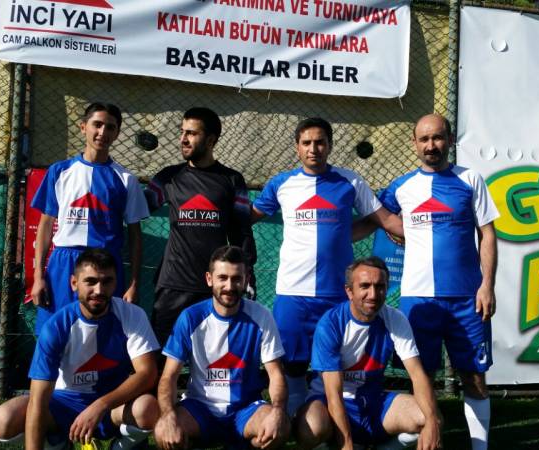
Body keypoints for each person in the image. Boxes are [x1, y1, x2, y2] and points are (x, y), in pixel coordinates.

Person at [251, 117, 403, 416]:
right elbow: (247, 217)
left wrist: (426, 233)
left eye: (320, 142)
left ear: (330, 145)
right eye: (306, 143)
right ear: (297, 147)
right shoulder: (281, 184)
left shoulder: (350, 181)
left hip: (337, 293)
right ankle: (296, 420)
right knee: (292, 364)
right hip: (293, 293)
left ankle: (333, 418)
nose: (313, 149)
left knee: (337, 362)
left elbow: (384, 219)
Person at [371, 113, 499, 450]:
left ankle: (480, 447)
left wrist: (487, 285)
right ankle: (420, 441)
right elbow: (376, 216)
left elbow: (487, 234)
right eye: (424, 139)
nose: (431, 145)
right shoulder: (402, 187)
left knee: (474, 377)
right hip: (418, 300)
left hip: (467, 299)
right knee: (421, 377)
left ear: (450, 140)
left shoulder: (471, 179)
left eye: (438, 137)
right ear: (414, 143)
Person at [0, 249, 160, 450]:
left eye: (107, 281)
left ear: (115, 284)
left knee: (148, 408)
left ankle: (121, 446)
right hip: (65, 403)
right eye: (90, 281)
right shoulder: (56, 327)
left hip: (114, 404)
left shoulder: (132, 315)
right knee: (3, 420)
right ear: (74, 283)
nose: (99, 290)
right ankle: (57, 443)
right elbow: (38, 399)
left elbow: (147, 373)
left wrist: (100, 405)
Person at [297, 257, 441, 450]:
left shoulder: (395, 319)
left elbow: (417, 375)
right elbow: (333, 395)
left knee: (430, 417)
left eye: (380, 286)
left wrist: (431, 421)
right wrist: (346, 444)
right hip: (329, 402)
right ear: (350, 291)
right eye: (365, 286)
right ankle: (338, 444)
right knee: (311, 428)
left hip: (373, 400)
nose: (373, 294)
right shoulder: (331, 324)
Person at [30, 102, 149, 334]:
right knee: (55, 334)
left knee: (102, 336)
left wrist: (134, 283)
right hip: (64, 264)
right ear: (83, 127)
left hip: (106, 267)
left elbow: (135, 236)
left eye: (110, 127)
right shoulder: (59, 171)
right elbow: (45, 225)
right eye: (97, 124)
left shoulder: (126, 179)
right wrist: (38, 276)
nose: (103, 132)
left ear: (117, 133)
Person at [154, 246, 289, 450]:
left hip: (246, 409)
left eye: (236, 279)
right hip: (200, 409)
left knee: (280, 427)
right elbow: (168, 376)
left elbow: (276, 374)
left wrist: (278, 410)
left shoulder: (261, 316)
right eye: (222, 278)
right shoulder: (190, 317)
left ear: (246, 279)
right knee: (163, 431)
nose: (229, 286)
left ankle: (245, 443)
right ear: (209, 279)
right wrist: (167, 415)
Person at [145, 107, 256, 351]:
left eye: (192, 133)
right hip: (173, 284)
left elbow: (241, 231)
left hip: (214, 286)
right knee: (161, 358)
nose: (183, 139)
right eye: (182, 132)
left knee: (213, 357)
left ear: (211, 140)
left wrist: (248, 272)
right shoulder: (168, 177)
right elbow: (137, 209)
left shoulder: (232, 180)